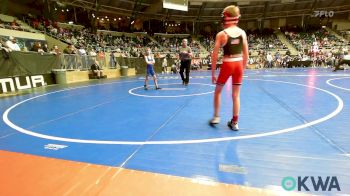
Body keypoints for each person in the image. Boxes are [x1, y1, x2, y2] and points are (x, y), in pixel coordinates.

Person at [209, 5, 249, 131]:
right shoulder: (242, 33)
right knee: (236, 95)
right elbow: (246, 54)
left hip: (227, 63)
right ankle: (235, 122)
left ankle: (216, 117)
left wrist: (213, 73)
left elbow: (214, 55)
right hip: (238, 63)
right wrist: (242, 69)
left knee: (218, 91)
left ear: (226, 17)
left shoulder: (222, 34)